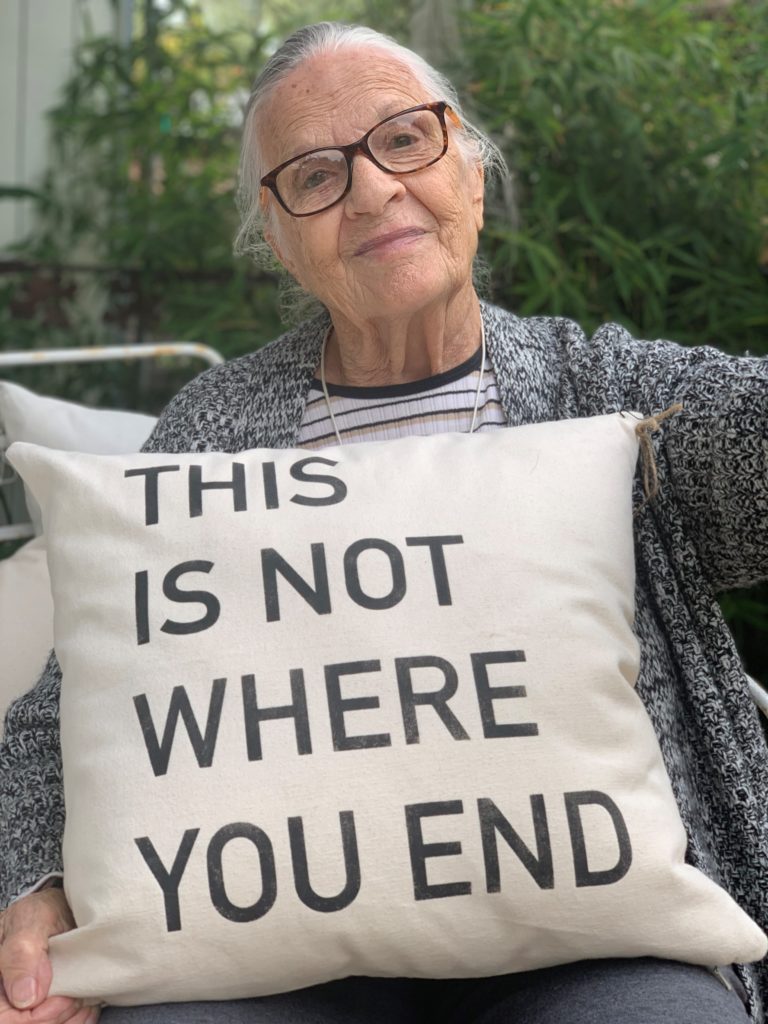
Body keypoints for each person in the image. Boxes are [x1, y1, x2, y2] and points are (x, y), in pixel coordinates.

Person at [1, 21, 766, 1024]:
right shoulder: (212, 429)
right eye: (315, 176)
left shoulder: (608, 395)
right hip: (267, 951)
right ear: (279, 237)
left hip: (591, 944)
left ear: (472, 177)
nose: (370, 189)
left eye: (405, 139)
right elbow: (67, 710)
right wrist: (34, 885)